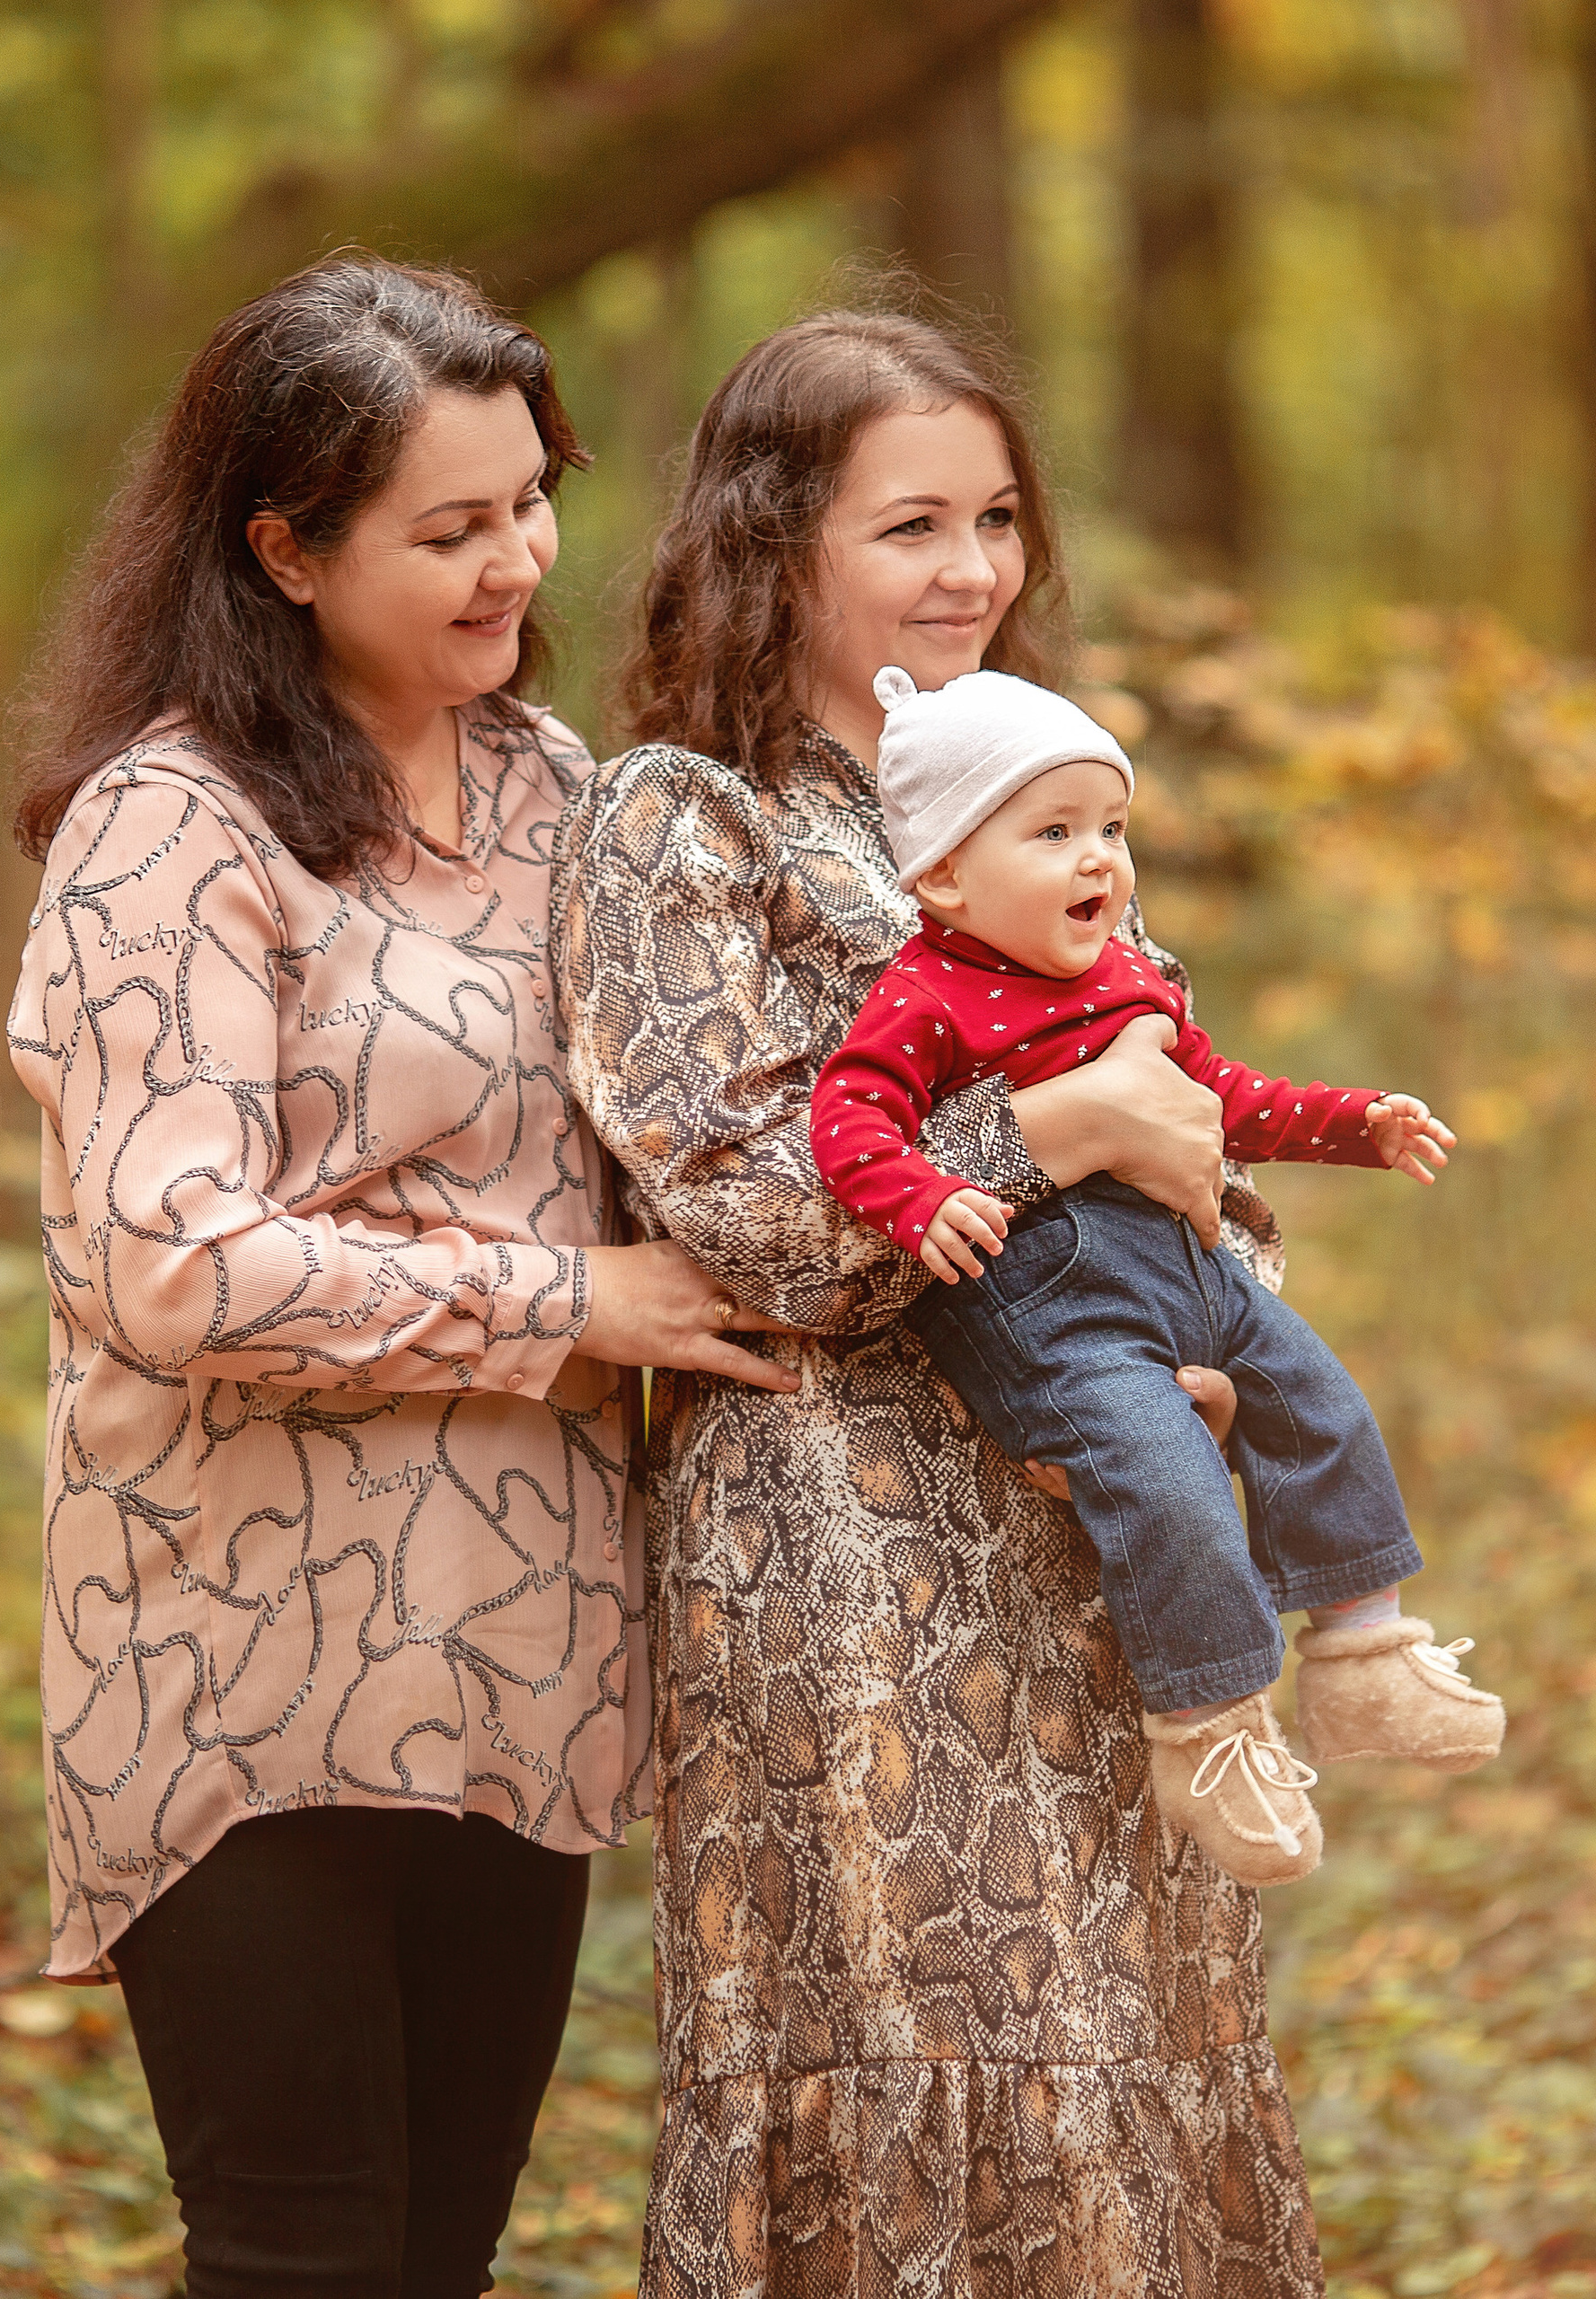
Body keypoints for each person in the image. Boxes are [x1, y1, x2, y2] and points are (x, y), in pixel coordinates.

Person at [4, 255, 797, 2299]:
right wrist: (563, 1304)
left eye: (527, 500)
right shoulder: (166, 831)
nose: (512, 561)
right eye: (444, 528)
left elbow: (729, 1138)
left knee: (437, 2256)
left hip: (521, 1651)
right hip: (239, 1659)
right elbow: (167, 1262)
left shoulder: (558, 795)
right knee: (298, 2256)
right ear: (280, 546)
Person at [551, 307, 1334, 2292]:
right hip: (843, 1565)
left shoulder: (1036, 796)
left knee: (1135, 2036)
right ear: (770, 542)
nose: (971, 568)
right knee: (917, 2039)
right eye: (910, 524)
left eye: (993, 516)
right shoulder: (679, 817)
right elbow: (751, 1219)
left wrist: (1211, 1343)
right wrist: (1043, 1129)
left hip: (1104, 1527)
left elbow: (1198, 1142)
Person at [809, 663, 1504, 1886]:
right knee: (1170, 1486)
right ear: (945, 876)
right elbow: (851, 1118)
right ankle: (1216, 1730)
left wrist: (1356, 1124)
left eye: (1112, 830)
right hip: (1056, 1304)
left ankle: (1364, 1655)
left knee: (1319, 1403)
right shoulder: (927, 996)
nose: (1100, 863)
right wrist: (922, 1197)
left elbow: (1225, 1100)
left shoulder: (1127, 973)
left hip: (1187, 1265)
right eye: (1055, 832)